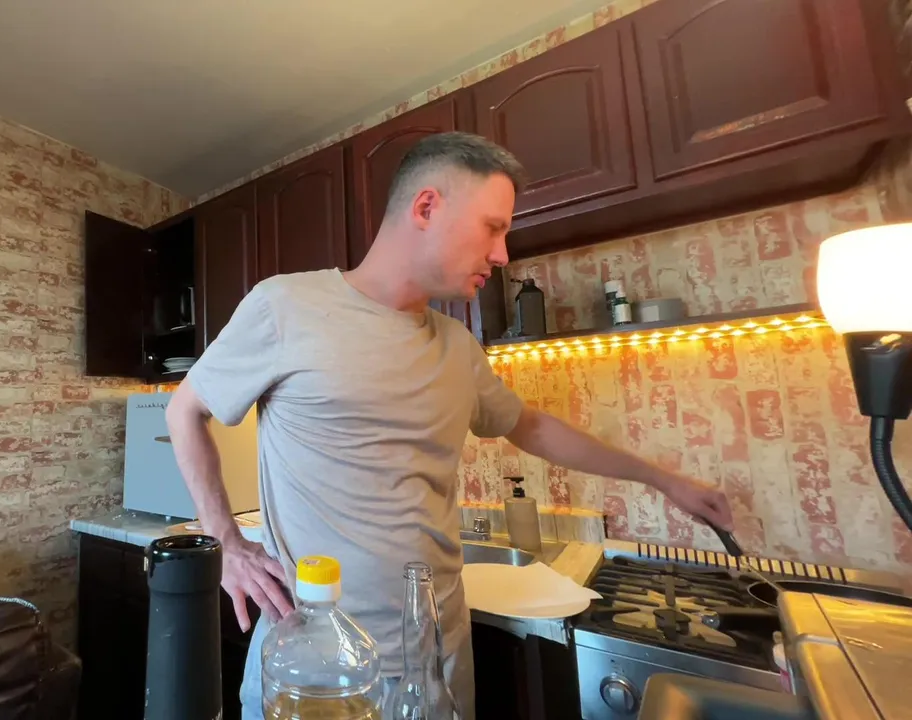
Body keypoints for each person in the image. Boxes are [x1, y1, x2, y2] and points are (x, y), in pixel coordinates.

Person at [164, 132, 734, 719]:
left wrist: (662, 478)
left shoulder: (458, 347)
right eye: (493, 228)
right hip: (318, 670)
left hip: (438, 660)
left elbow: (530, 427)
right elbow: (185, 411)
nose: (502, 254)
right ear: (427, 207)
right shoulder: (285, 306)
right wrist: (228, 544)